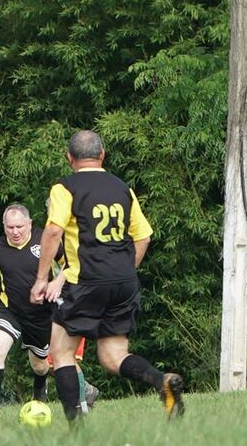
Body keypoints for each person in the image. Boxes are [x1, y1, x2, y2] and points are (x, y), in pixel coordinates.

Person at [31, 130, 185, 423]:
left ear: (69, 158)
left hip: (85, 280)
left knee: (61, 352)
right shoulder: (122, 188)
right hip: (124, 281)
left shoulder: (65, 188)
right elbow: (144, 237)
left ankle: (76, 426)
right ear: (102, 154)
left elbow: (53, 231)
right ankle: (161, 381)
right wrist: (126, 270)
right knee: (113, 356)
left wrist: (41, 280)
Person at [0, 204, 99, 424]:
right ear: (4, 226)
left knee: (41, 366)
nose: (15, 232)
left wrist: (57, 283)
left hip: (43, 316)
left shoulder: (46, 240)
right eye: (10, 227)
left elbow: (71, 264)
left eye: (19, 226)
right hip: (11, 311)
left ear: (29, 224)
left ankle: (52, 393)